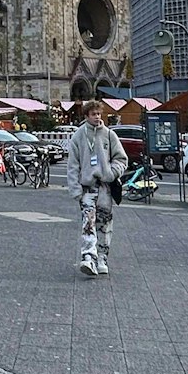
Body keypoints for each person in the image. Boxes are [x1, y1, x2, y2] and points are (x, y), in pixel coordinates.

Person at [68, 100, 128, 277]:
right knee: (88, 223)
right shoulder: (78, 136)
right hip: (87, 188)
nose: (97, 117)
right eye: (93, 114)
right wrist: (75, 190)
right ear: (86, 116)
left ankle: (102, 257)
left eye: (98, 114)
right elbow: (73, 165)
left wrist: (111, 173)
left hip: (105, 188)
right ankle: (88, 257)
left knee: (104, 223)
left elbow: (121, 159)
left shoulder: (109, 135)